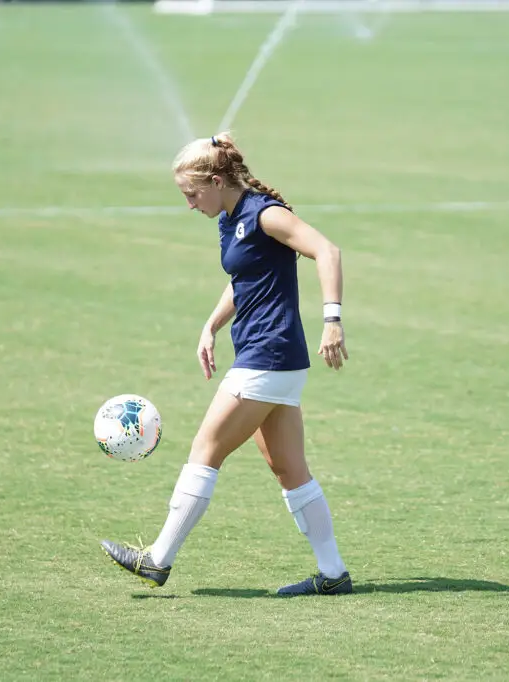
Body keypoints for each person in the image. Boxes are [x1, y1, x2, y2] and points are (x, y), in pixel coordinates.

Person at [100, 132, 353, 596]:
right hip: (271, 356)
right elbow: (246, 278)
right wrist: (212, 325)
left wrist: (332, 320)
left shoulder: (266, 214)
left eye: (193, 194)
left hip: (269, 354)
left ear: (217, 181)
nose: (190, 205)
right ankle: (333, 574)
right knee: (289, 469)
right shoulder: (229, 219)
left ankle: (158, 559)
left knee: (205, 448)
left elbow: (327, 251)